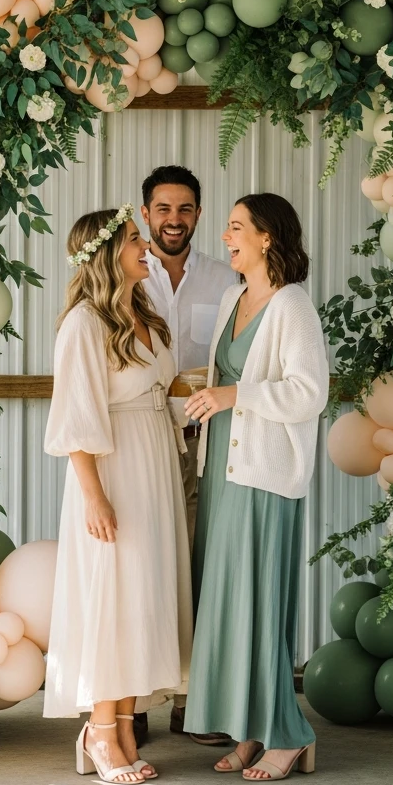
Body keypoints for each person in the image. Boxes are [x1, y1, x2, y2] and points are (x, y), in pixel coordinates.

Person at [43, 204, 192, 785]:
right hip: (114, 468)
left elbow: (164, 390)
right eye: (135, 239)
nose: (147, 246)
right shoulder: (84, 324)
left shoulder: (147, 315)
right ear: (106, 251)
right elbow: (76, 418)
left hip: (156, 461)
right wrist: (93, 496)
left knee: (145, 595)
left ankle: (127, 722)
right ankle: (100, 729)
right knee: (113, 594)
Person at [183, 193, 329, 782]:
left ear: (268, 237)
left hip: (264, 474)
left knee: (260, 604)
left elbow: (308, 392)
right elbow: (222, 376)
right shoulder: (232, 298)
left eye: (236, 227)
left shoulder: (292, 305)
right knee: (226, 603)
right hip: (221, 468)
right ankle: (250, 728)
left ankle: (288, 733)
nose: (226, 236)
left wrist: (233, 396)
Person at [140, 164, 237, 741]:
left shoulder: (227, 280)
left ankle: (192, 702)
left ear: (199, 214)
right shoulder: (124, 276)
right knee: (148, 567)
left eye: (185, 209)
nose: (173, 220)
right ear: (146, 212)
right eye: (163, 209)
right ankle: (136, 702)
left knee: (199, 567)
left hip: (206, 445)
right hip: (145, 442)